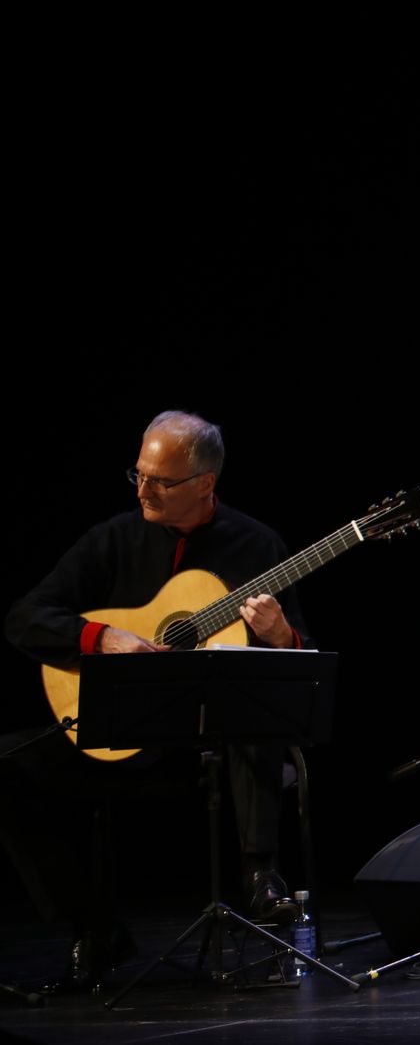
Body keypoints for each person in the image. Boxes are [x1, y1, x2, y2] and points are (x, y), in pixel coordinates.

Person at [2, 410, 310, 992]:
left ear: (205, 484)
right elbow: (25, 618)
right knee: (6, 768)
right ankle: (95, 926)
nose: (144, 489)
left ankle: (258, 873)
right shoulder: (113, 538)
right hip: (119, 736)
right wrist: (101, 637)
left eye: (160, 481)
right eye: (138, 475)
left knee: (252, 705)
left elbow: (304, 659)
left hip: (210, 749)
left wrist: (279, 637)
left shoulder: (258, 546)